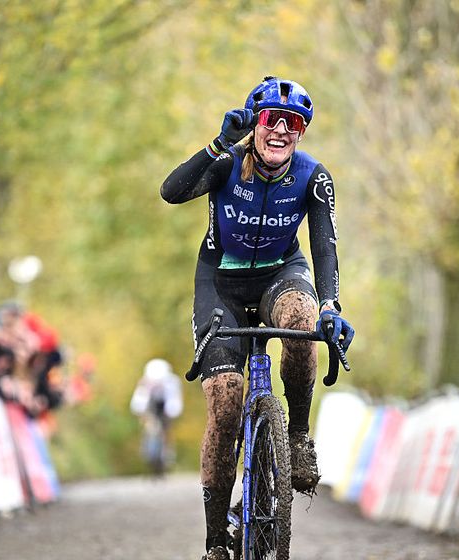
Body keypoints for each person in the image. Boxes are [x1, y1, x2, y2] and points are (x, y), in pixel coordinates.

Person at [160, 76, 355, 560]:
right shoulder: (227, 163)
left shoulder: (313, 176)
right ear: (256, 124)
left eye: (294, 123)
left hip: (279, 276)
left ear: (302, 132)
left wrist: (331, 307)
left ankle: (296, 437)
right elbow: (170, 191)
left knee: (302, 316)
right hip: (220, 284)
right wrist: (218, 143)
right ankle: (214, 542)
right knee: (226, 403)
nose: (282, 130)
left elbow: (325, 248)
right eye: (272, 119)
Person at [130, 358, 183, 475]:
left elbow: (174, 403)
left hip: (165, 408)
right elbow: (138, 402)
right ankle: (148, 454)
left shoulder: (172, 382)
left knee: (166, 429)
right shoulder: (145, 382)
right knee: (150, 429)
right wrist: (144, 416)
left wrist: (170, 415)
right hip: (150, 408)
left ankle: (167, 454)